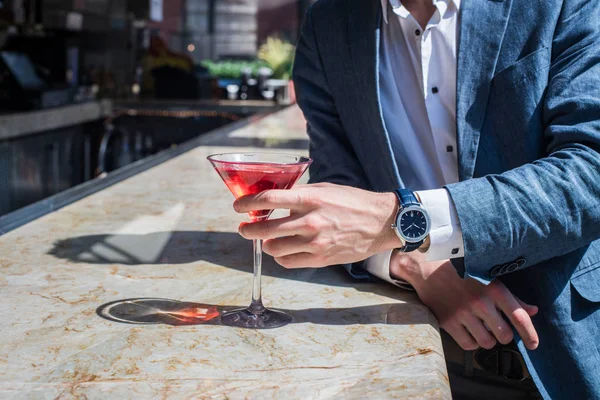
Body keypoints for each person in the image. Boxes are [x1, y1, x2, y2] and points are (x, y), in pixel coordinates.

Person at [233, 0, 600, 399]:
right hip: (414, 350)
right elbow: (337, 186)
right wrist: (411, 262)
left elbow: (590, 173)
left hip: (565, 342)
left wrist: (400, 219)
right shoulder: (329, 22)